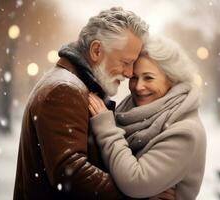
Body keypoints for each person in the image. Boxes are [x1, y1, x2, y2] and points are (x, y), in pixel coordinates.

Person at [14, 7, 149, 200]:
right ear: (96, 50)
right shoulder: (64, 90)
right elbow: (71, 174)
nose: (129, 73)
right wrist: (137, 195)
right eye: (126, 62)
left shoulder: (70, 85)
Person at [88, 35, 207, 200]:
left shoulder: (186, 132)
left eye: (148, 77)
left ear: (172, 80)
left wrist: (106, 129)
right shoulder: (129, 110)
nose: (138, 86)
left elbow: (135, 182)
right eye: (134, 77)